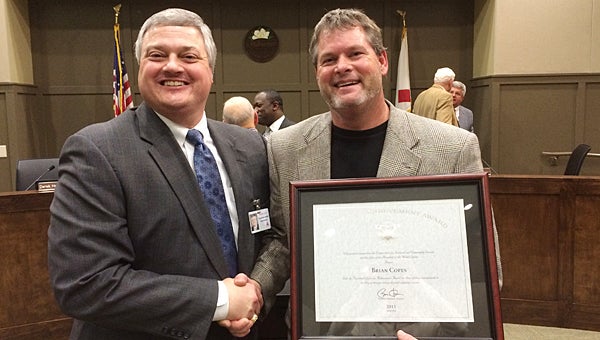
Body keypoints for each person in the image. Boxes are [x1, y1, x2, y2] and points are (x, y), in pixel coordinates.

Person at [47, 8, 286, 340]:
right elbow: (86, 283)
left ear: (211, 71)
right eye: (157, 55)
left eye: (189, 56)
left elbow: (273, 235)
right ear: (141, 67)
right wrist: (220, 301)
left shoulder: (249, 145)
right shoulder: (95, 150)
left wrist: (255, 289)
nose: (173, 65)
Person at [265, 8, 500, 339]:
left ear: (383, 61)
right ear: (317, 71)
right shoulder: (284, 148)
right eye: (328, 59)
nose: (342, 66)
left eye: (355, 53)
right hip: (320, 331)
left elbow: (484, 270)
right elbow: (282, 243)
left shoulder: (453, 148)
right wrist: (253, 290)